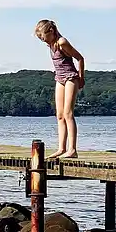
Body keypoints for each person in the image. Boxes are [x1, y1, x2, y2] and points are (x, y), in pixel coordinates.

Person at [34, 19, 85, 159]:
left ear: (51, 31)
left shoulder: (61, 42)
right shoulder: (50, 44)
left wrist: (81, 78)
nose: (43, 41)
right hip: (59, 78)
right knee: (60, 115)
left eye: (43, 37)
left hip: (70, 78)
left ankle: (72, 149)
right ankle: (61, 148)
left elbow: (80, 58)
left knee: (68, 113)